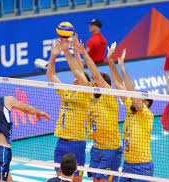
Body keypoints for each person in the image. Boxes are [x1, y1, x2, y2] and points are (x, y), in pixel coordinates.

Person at [73, 35, 122, 182]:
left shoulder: (110, 96)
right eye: (93, 84)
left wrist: (85, 54)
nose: (94, 85)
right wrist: (76, 53)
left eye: (97, 84)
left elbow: (95, 75)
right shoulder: (92, 98)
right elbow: (82, 75)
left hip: (110, 149)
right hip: (96, 149)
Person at [46, 37, 92, 182]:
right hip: (61, 142)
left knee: (76, 180)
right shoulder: (66, 91)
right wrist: (53, 55)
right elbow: (50, 75)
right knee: (61, 180)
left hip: (76, 142)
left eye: (78, 79)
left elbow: (80, 73)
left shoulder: (86, 93)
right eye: (75, 78)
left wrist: (67, 51)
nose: (75, 79)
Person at [107, 44, 154, 182]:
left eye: (139, 98)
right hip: (127, 165)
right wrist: (111, 62)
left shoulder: (146, 115)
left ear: (146, 104)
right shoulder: (130, 108)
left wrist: (123, 69)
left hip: (142, 167)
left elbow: (132, 93)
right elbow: (118, 85)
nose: (135, 99)